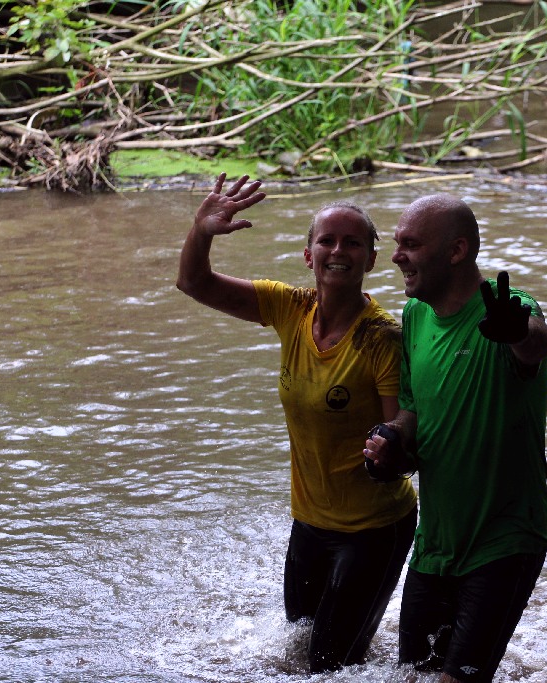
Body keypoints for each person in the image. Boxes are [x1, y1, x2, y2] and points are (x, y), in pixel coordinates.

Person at [176, 173, 417, 674]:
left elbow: (401, 430)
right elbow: (194, 283)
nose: (338, 251)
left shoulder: (382, 338)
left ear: (372, 259)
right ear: (309, 255)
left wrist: (390, 446)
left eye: (353, 243)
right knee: (299, 654)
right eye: (327, 240)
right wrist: (200, 230)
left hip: (374, 528)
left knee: (328, 665)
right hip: (309, 522)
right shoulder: (290, 307)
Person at [364, 193, 547, 683]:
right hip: (435, 544)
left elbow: (534, 344)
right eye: (397, 243)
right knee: (413, 677)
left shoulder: (509, 309)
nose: (396, 256)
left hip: (504, 540)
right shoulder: (414, 315)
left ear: (456, 251)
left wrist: (517, 332)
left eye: (410, 244)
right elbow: (412, 411)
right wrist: (390, 441)